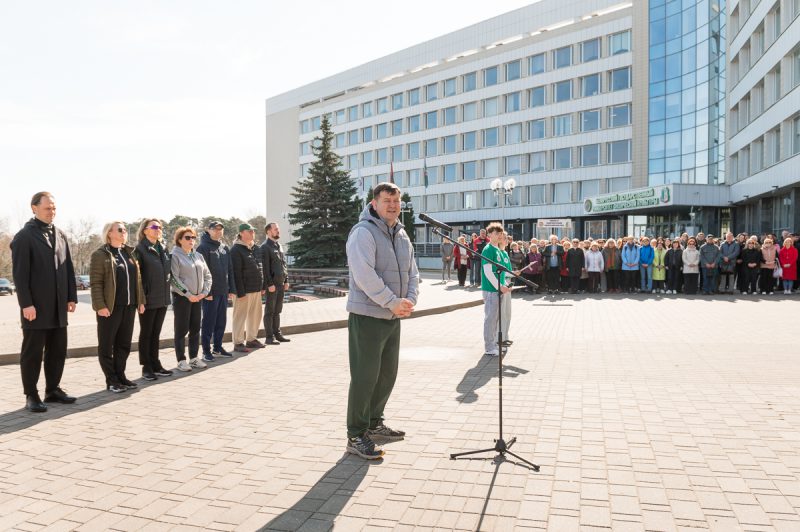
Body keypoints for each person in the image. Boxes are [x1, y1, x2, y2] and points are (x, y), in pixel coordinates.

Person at [345, 182, 418, 460]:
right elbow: (364, 275)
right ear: (374, 203)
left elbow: (413, 271)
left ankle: (374, 424)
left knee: (387, 375)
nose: (393, 205)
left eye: (396, 200)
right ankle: (356, 434)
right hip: (367, 316)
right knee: (365, 377)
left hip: (392, 315)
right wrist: (391, 301)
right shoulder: (363, 232)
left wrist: (409, 299)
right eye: (387, 200)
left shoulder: (401, 234)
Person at [11, 192, 78, 412]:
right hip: (36, 307)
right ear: (34, 208)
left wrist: (71, 296)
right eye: (48, 208)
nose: (52, 212)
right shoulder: (24, 236)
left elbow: (68, 267)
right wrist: (26, 304)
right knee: (32, 353)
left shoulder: (60, 234)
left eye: (54, 208)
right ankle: (31, 395)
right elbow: (20, 275)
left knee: (57, 350)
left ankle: (53, 390)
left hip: (59, 306)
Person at [90, 221, 145, 393]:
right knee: (106, 345)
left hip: (129, 306)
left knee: (124, 344)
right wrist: (100, 305)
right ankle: (111, 380)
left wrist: (140, 301)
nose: (124, 232)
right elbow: (96, 283)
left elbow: (138, 280)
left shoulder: (130, 253)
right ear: (109, 233)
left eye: (125, 230)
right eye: (120, 230)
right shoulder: (100, 255)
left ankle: (120, 376)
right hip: (110, 307)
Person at [133, 219, 174, 381]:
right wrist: (141, 299)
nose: (158, 229)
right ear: (145, 230)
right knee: (146, 333)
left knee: (156, 333)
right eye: (154, 227)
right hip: (148, 299)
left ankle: (156, 364)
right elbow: (137, 278)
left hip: (162, 298)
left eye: (160, 227)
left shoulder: (163, 247)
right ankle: (146, 367)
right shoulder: (140, 249)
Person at [171, 227, 213, 371]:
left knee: (195, 329)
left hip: (198, 298)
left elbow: (208, 276)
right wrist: (188, 294)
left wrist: (204, 293)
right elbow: (174, 279)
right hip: (182, 298)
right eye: (187, 237)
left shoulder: (198, 256)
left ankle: (194, 358)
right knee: (181, 330)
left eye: (193, 237)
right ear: (179, 240)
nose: (191, 240)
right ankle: (181, 360)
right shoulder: (174, 256)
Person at [197, 221, 236, 362]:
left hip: (223, 291)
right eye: (215, 229)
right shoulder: (202, 247)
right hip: (210, 293)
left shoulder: (224, 247)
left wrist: (231, 289)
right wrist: (206, 292)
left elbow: (230, 269)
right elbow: (201, 272)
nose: (218, 231)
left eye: (221, 229)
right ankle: (206, 351)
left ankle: (218, 348)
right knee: (208, 322)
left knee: (221, 321)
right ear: (208, 230)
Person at [230, 223, 265, 352]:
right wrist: (240, 292)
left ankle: (251, 339)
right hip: (243, 291)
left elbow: (260, 267)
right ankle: (238, 343)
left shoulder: (256, 248)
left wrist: (262, 286)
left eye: (253, 231)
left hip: (256, 288)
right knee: (240, 317)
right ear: (241, 233)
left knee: (255, 316)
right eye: (249, 231)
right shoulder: (236, 250)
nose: (252, 233)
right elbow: (236, 273)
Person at [480, 223, 509, 357]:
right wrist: (499, 286)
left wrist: (505, 284)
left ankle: (494, 344)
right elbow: (488, 272)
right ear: (489, 234)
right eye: (496, 233)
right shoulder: (488, 249)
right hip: (491, 289)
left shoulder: (497, 250)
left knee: (496, 319)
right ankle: (489, 347)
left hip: (498, 289)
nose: (499, 236)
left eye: (500, 233)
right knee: (490, 319)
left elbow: (501, 272)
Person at [261, 222, 291, 345]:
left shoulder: (279, 245)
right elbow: (265, 268)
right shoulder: (265, 247)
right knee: (270, 311)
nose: (278, 231)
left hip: (281, 283)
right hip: (272, 285)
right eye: (275, 229)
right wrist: (269, 284)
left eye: (278, 229)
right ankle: (269, 337)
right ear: (268, 231)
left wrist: (286, 280)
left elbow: (284, 264)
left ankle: (277, 334)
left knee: (278, 310)